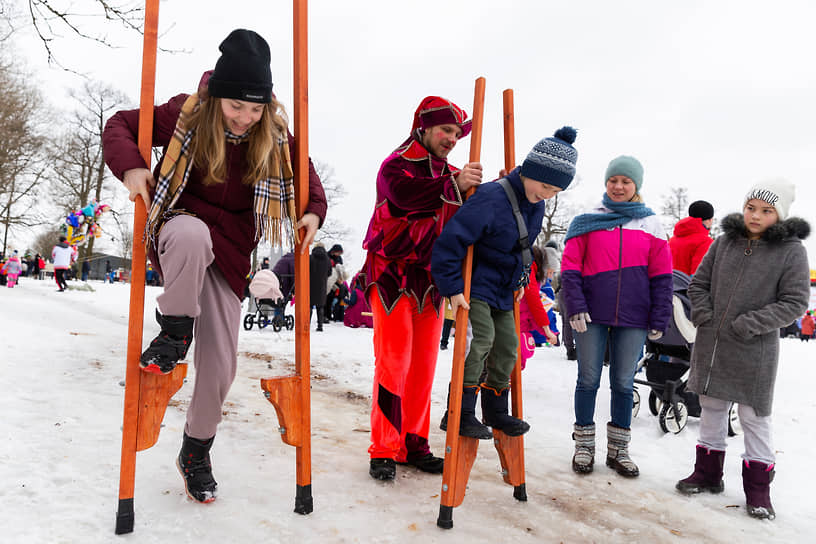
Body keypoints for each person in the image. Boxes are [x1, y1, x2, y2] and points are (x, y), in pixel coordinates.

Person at [102, 29, 327, 504]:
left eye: (255, 108)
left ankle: (195, 450)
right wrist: (131, 167)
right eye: (235, 106)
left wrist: (312, 212)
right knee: (191, 234)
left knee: (221, 367)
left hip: (230, 254)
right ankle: (175, 329)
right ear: (217, 95)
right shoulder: (187, 112)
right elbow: (120, 124)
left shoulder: (275, 135)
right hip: (179, 232)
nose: (245, 118)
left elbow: (308, 181)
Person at [362, 95, 482, 481]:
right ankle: (384, 447)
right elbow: (404, 198)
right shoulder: (396, 164)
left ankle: (414, 441)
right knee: (394, 362)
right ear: (424, 128)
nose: (451, 138)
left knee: (424, 367)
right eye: (445, 130)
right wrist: (455, 184)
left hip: (431, 281)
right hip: (392, 275)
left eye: (456, 133)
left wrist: (498, 189)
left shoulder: (454, 173)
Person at [432, 127, 579, 440]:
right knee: (480, 341)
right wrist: (452, 288)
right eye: (545, 185)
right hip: (477, 284)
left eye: (555, 190)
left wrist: (523, 276)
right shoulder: (490, 198)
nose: (547, 195)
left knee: (509, 346)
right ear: (529, 171)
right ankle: (460, 412)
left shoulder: (536, 204)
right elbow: (450, 242)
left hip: (504, 287)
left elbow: (522, 246)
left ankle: (496, 411)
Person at [677, 180, 809, 520]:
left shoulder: (791, 250)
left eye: (766, 210)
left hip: (755, 348)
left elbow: (795, 301)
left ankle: (758, 489)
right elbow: (698, 283)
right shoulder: (724, 242)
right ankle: (707, 473)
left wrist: (750, 323)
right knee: (712, 407)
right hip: (714, 344)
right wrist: (705, 315)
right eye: (751, 207)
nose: (755, 215)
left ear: (778, 215)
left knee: (753, 417)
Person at [561, 155, 672, 477]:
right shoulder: (586, 220)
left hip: (634, 317)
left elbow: (662, 276)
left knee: (623, 383)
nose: (619, 186)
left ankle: (619, 451)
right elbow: (570, 269)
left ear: (636, 185)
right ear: (606, 183)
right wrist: (575, 305)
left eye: (626, 181)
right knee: (588, 380)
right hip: (591, 315)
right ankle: (583, 445)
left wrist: (659, 316)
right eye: (613, 180)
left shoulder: (651, 224)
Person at [519, 245, 559, 366]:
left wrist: (548, 331)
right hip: (518, 322)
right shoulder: (530, 271)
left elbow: (534, 311)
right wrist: (547, 330)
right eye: (550, 272)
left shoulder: (538, 281)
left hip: (525, 323)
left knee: (523, 354)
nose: (551, 276)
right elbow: (534, 304)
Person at [669, 200, 715, 275]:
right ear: (709, 220)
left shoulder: (672, 240)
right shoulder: (705, 242)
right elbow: (698, 274)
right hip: (687, 285)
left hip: (669, 284)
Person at [309, 243, 331, 331]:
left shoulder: (310, 257)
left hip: (310, 284)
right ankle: (320, 326)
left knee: (309, 306)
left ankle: (307, 324)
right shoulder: (327, 259)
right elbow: (330, 272)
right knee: (320, 306)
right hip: (322, 285)